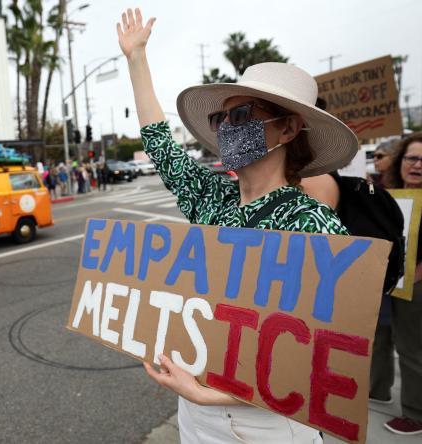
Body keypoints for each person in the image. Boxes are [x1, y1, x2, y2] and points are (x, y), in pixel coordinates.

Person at [118, 8, 357, 443]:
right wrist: (136, 59)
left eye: (242, 115)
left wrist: (216, 397)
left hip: (268, 424)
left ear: (287, 128)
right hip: (194, 413)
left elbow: (318, 360)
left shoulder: (313, 224)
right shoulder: (213, 199)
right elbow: (161, 144)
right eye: (220, 118)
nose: (227, 127)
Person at [373, 132, 422, 436]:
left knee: (410, 348)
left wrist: (411, 278)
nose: (417, 164)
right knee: (379, 338)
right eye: (412, 158)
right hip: (385, 283)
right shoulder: (387, 195)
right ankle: (377, 391)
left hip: (414, 286)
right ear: (401, 161)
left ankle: (416, 414)